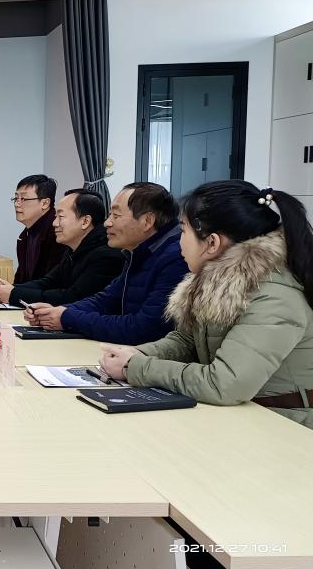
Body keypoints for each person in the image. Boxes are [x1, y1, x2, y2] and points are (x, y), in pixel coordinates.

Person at [100, 181, 313, 428]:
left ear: (212, 243)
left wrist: (136, 368)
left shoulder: (274, 297)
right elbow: (186, 341)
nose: (178, 242)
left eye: (183, 231)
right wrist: (139, 354)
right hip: (240, 415)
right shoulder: (218, 281)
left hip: (285, 426)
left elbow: (225, 384)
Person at [25, 182, 189, 345]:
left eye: (115, 216)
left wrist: (67, 317)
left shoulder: (176, 257)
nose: (107, 223)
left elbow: (144, 329)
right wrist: (57, 312)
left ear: (147, 221)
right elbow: (106, 300)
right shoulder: (138, 252)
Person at [0, 189, 123, 306]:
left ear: (85, 221)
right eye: (55, 216)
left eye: (60, 217)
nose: (54, 223)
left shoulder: (107, 255)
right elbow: (49, 282)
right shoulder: (73, 248)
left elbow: (73, 298)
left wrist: (14, 294)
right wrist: (12, 288)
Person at [11, 174, 66, 283]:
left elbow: (51, 282)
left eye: (23, 199)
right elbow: (21, 279)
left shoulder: (58, 232)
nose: (17, 204)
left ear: (45, 203)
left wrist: (14, 290)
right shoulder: (26, 234)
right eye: (16, 198)